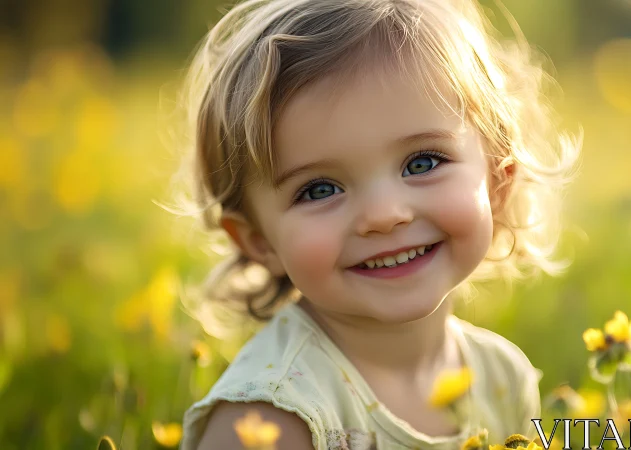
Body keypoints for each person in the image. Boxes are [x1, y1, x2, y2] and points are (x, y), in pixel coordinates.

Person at [175, 0, 580, 448]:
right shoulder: (270, 420)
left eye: (422, 162)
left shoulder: (502, 378)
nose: (385, 216)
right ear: (259, 242)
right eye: (320, 189)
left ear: (496, 181)